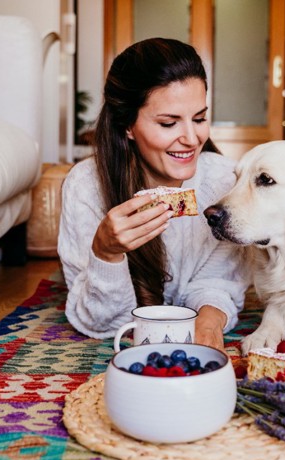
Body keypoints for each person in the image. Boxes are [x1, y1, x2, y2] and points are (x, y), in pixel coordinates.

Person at [57, 37, 249, 352]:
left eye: (199, 118)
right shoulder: (85, 187)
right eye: (169, 123)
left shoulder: (225, 181)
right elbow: (104, 324)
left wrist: (209, 320)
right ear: (127, 125)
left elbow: (218, 282)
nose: (191, 138)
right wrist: (106, 254)